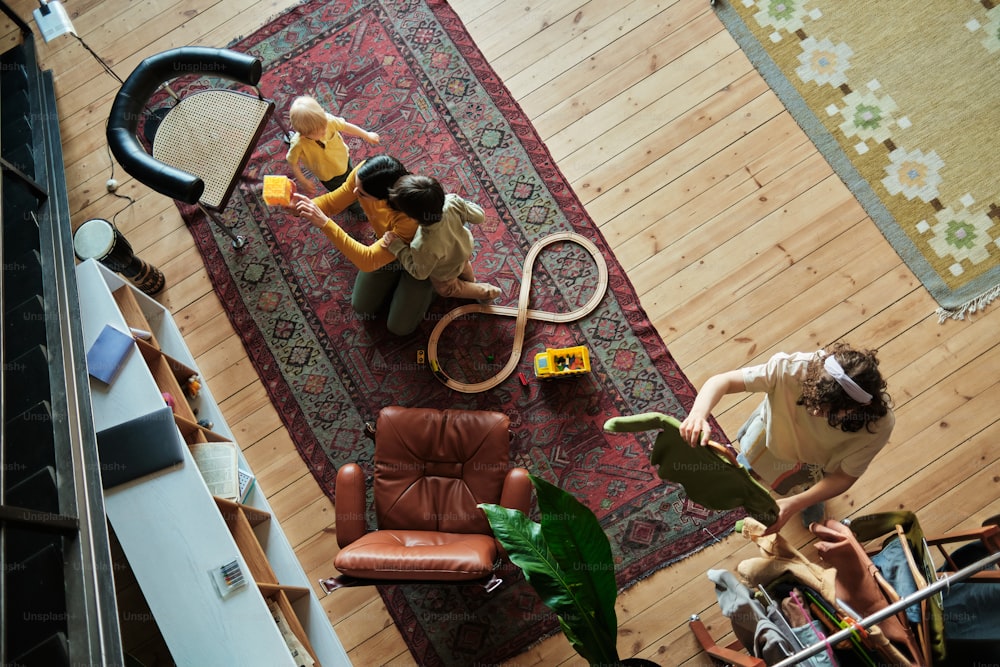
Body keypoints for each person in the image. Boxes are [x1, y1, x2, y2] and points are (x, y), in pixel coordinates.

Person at [678, 342, 894, 534]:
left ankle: (808, 498)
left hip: (814, 463)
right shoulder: (793, 368)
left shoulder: (878, 427)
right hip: (772, 434)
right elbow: (722, 381)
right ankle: (756, 467)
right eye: (814, 400)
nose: (816, 412)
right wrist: (698, 414)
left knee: (805, 486)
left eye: (830, 411)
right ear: (815, 377)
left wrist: (794, 503)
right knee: (755, 457)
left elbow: (844, 476)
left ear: (860, 407)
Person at [291, 155, 434, 336]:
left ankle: (435, 284)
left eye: (362, 194)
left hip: (419, 260)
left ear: (386, 198)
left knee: (399, 328)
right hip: (390, 247)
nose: (354, 194)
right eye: (356, 186)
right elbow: (331, 203)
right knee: (362, 307)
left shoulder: (409, 216)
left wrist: (325, 224)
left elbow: (369, 260)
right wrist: (299, 207)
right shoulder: (364, 176)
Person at [380, 174, 501, 302]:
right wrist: (461, 204)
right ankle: (473, 281)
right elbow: (479, 217)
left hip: (445, 272)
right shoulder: (453, 202)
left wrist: (397, 246)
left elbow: (420, 273)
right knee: (464, 266)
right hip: (463, 251)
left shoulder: (422, 245)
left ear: (412, 218)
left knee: (448, 289)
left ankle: (486, 292)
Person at [286, 95, 380, 196]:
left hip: (344, 159)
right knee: (343, 193)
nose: (324, 131)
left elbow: (345, 126)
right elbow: (292, 162)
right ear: (303, 135)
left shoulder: (328, 120)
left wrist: (366, 135)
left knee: (353, 177)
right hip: (329, 176)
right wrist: (303, 181)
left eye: (324, 127)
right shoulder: (298, 143)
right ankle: (354, 205)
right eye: (318, 132)